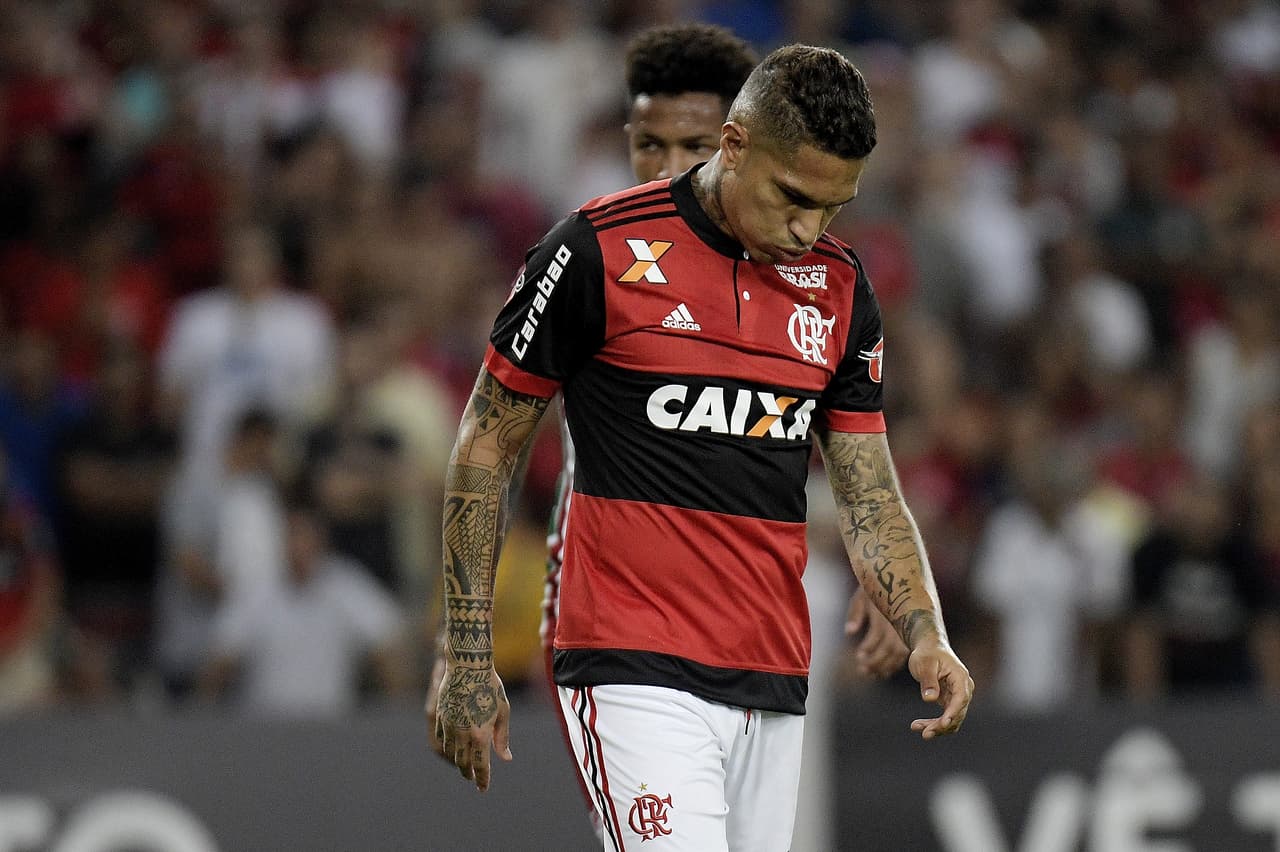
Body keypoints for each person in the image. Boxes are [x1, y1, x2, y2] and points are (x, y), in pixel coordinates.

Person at [432, 44, 973, 851]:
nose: (807, 228)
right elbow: (486, 445)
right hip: (631, 666)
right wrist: (466, 655)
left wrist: (925, 626)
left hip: (772, 672)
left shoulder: (841, 289)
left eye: (833, 206)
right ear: (734, 145)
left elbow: (866, 487)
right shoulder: (594, 252)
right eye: (793, 196)